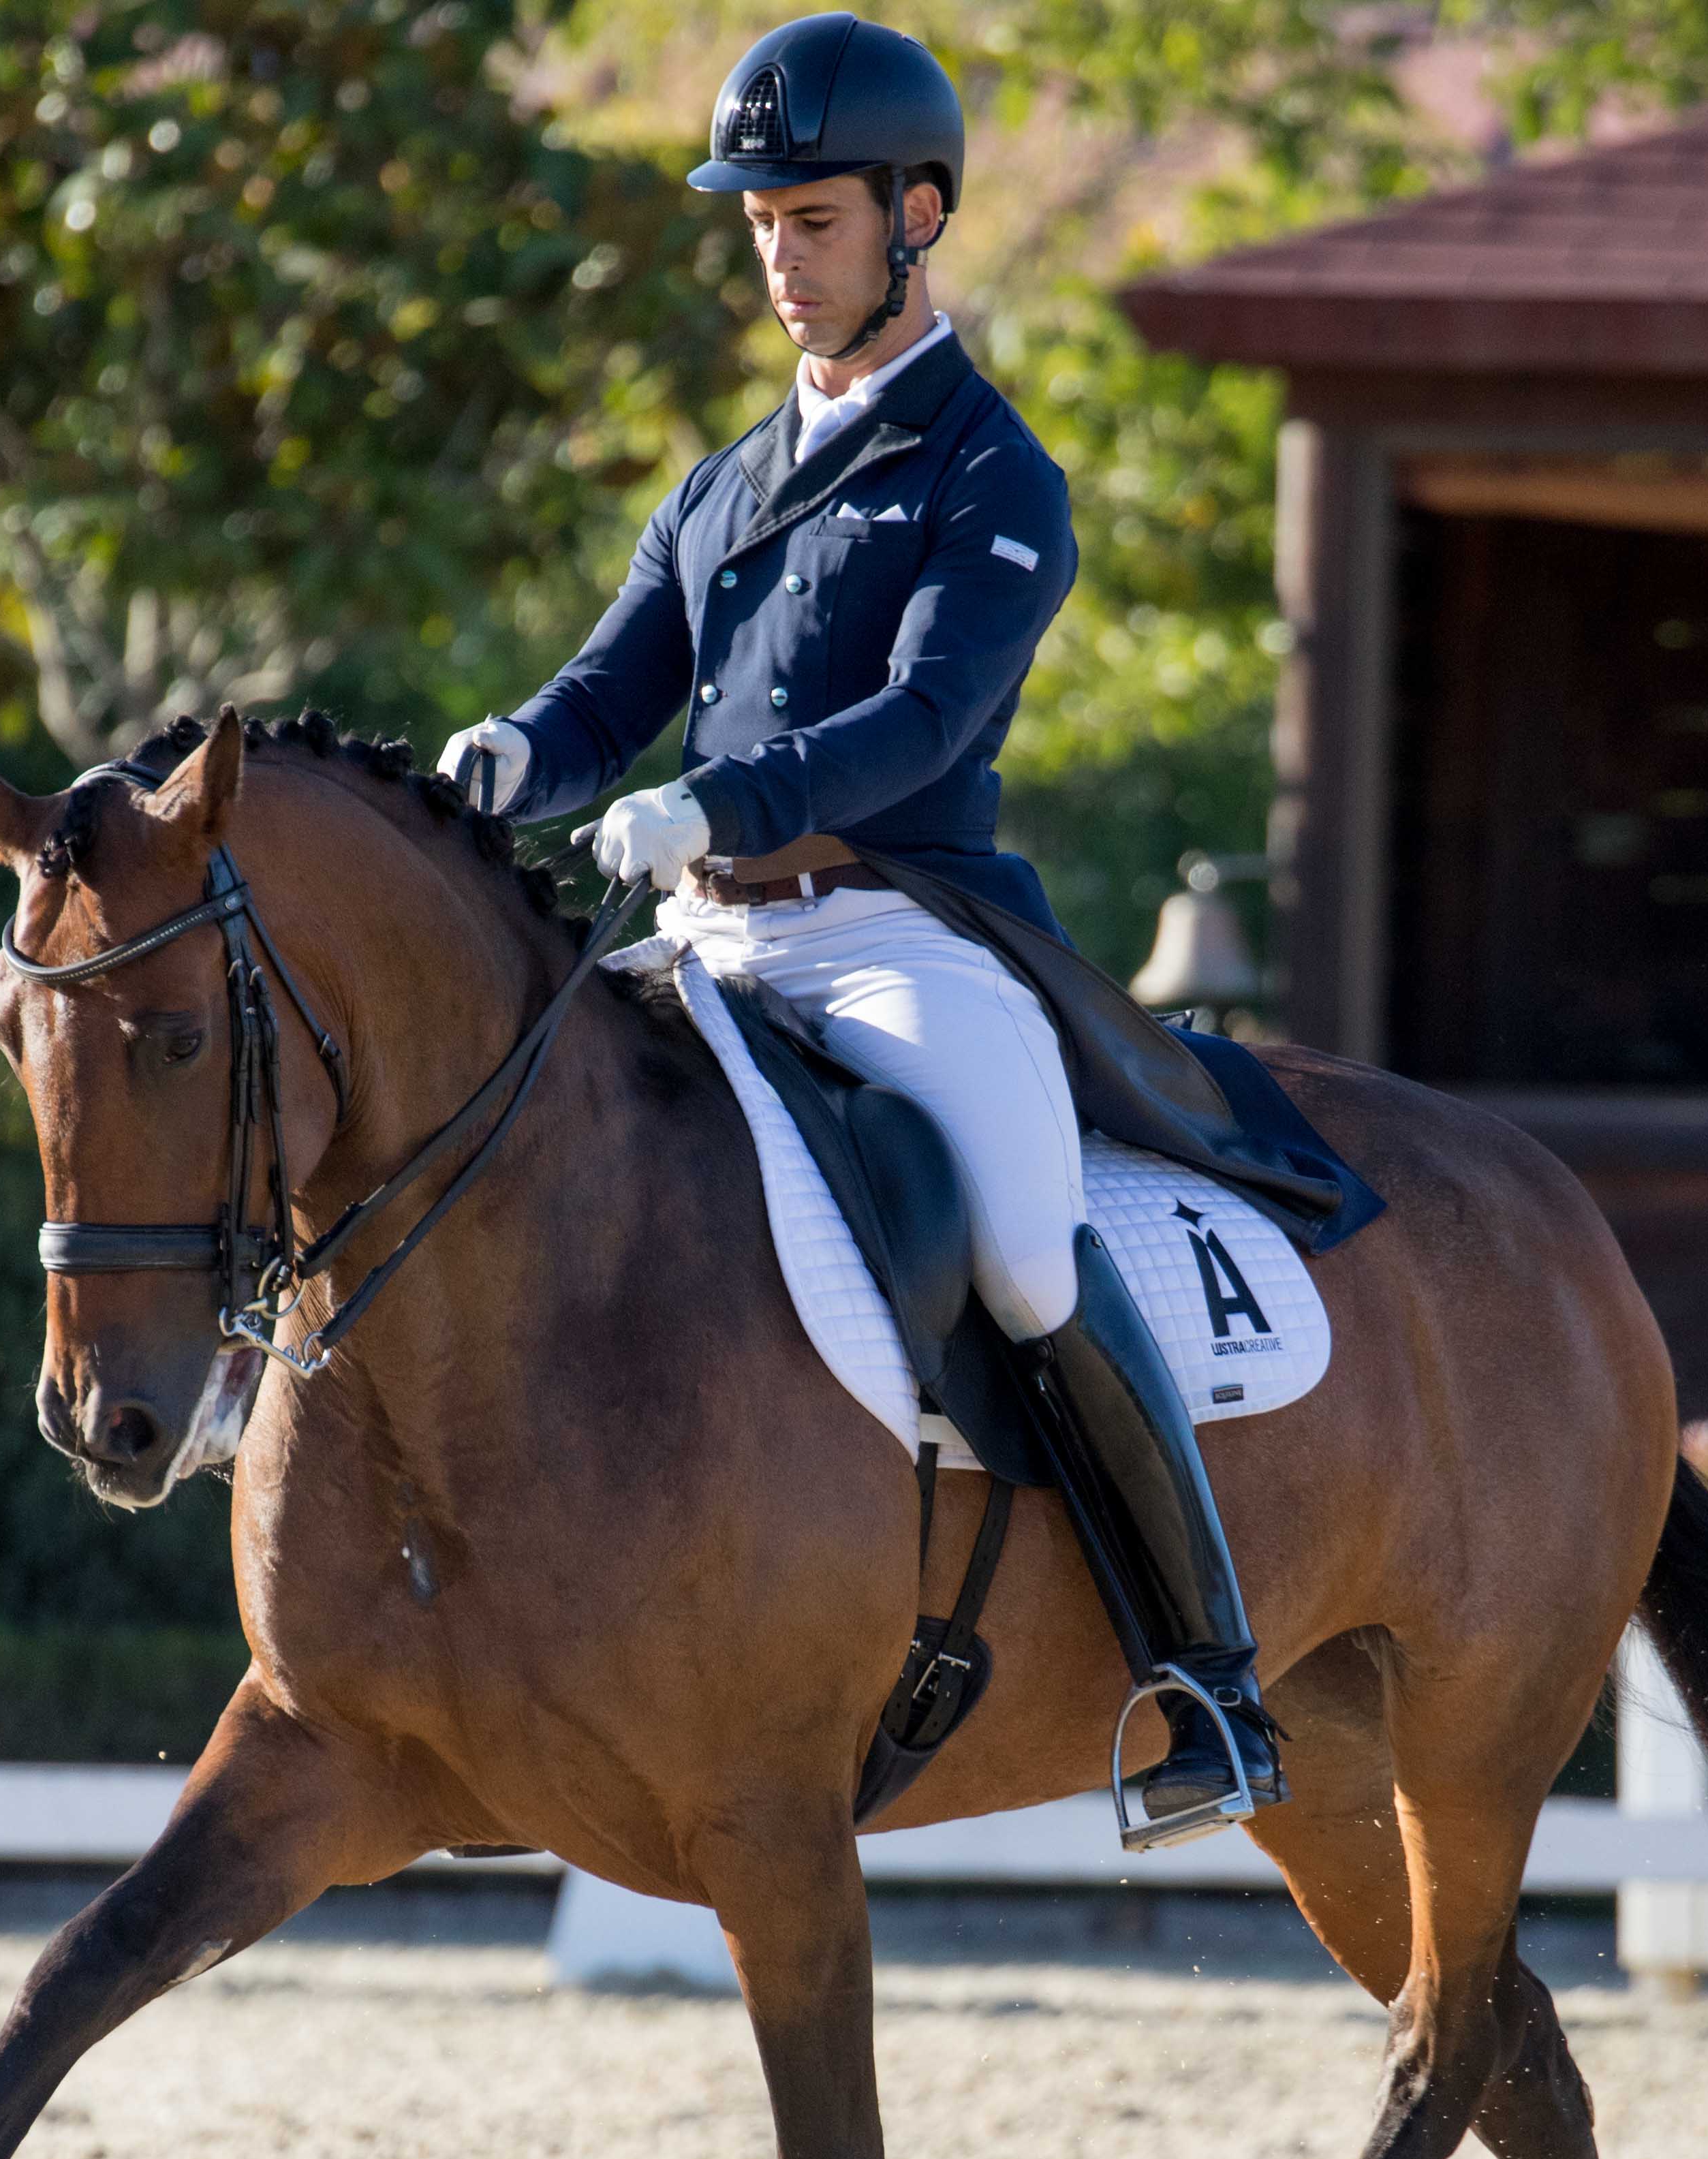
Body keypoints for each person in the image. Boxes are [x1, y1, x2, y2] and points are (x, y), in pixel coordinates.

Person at [433, 12, 1277, 1843]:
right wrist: (516, 754)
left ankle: (1207, 1671)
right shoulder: (723, 480)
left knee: (1028, 1248)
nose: (780, 260)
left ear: (920, 215)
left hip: (895, 936)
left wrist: (720, 804)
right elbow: (609, 690)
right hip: (707, 936)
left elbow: (917, 723)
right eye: (758, 225)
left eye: (811, 222)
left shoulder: (994, 479)